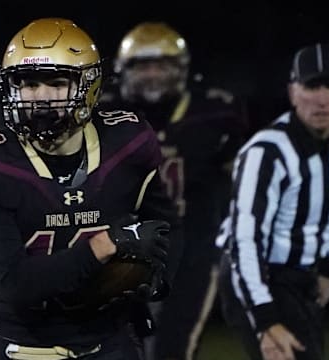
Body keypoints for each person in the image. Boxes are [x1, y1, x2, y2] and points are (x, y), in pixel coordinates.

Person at [0, 17, 181, 360]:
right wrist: (107, 245)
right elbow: (15, 283)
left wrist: (155, 278)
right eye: (29, 85)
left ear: (88, 86)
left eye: (57, 83)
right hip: (28, 345)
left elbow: (167, 228)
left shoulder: (128, 143)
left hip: (111, 336)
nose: (40, 99)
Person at [99, 21, 249, 360]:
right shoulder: (104, 113)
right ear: (124, 70)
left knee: (173, 347)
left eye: (161, 64)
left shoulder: (213, 111)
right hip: (122, 247)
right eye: (143, 65)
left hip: (192, 246)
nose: (152, 74)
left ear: (180, 69)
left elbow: (241, 180)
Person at [216, 42, 329, 360]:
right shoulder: (267, 153)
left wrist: (328, 261)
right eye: (311, 85)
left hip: (304, 277)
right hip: (257, 275)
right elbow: (245, 240)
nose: (322, 97)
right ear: (292, 92)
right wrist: (265, 319)